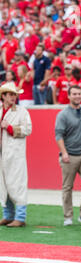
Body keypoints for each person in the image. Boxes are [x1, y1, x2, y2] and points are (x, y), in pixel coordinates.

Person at [55, 85, 81, 226]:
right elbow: (58, 135)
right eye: (74, 94)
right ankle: (68, 217)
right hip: (69, 155)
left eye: (79, 94)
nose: (77, 96)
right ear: (69, 96)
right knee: (67, 186)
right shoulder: (63, 114)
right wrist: (64, 153)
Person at [0, 82, 32, 227]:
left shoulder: (22, 111)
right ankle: (8, 215)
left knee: (17, 183)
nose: (13, 97)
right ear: (3, 96)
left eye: (14, 95)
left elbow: (27, 129)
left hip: (15, 153)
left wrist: (10, 127)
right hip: (2, 153)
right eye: (11, 94)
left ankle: (20, 217)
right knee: (3, 184)